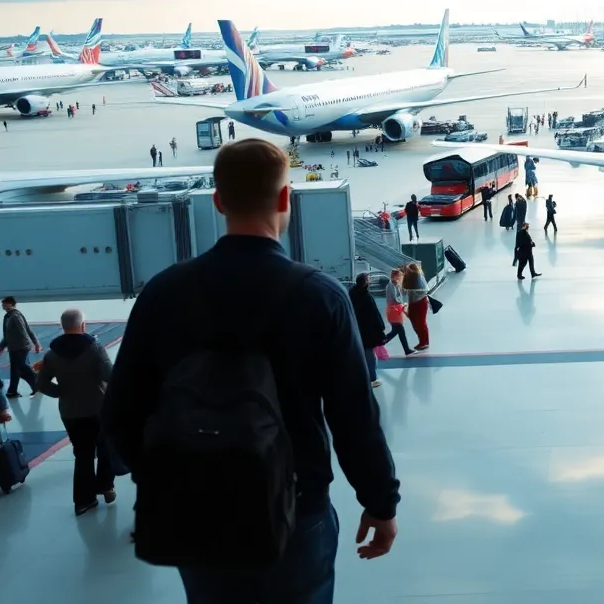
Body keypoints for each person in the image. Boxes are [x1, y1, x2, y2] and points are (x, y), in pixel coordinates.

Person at [102, 139, 399, 602]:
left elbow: (121, 411)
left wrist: (170, 481)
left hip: (195, 510)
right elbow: (355, 418)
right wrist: (381, 503)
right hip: (295, 509)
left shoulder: (163, 293)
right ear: (285, 200)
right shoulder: (318, 296)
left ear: (218, 201)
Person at [34, 308, 116, 515]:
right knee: (105, 447)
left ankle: (83, 501)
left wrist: (60, 392)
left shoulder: (52, 355)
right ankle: (106, 486)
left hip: (70, 412)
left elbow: (41, 384)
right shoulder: (95, 348)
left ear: (62, 327)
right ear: (83, 326)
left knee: (83, 455)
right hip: (98, 409)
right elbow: (109, 375)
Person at [349, 274, 388, 388]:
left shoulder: (351, 294)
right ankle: (373, 378)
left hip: (356, 329)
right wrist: (381, 328)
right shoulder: (367, 297)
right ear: (365, 282)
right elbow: (374, 315)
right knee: (370, 355)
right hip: (368, 331)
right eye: (368, 280)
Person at [0, 296, 41, 397]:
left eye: (6, 303)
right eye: (2, 303)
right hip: (14, 348)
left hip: (21, 347)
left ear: (13, 305)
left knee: (21, 367)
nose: (3, 305)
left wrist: (34, 343)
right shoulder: (7, 317)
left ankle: (37, 380)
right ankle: (12, 391)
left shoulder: (15, 316)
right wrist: (0, 347)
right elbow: (7, 335)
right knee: (15, 370)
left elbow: (24, 331)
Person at [384, 269, 414, 356]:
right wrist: (403, 304)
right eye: (399, 276)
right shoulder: (390, 286)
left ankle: (381, 342)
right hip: (393, 310)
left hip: (396, 310)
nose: (400, 278)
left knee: (396, 331)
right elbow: (395, 299)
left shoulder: (396, 285)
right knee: (399, 330)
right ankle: (406, 350)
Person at [401, 263, 431, 351]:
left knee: (421, 322)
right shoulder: (408, 278)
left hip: (421, 302)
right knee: (415, 323)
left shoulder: (418, 277)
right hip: (413, 302)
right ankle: (422, 341)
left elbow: (423, 290)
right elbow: (404, 291)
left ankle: (424, 342)